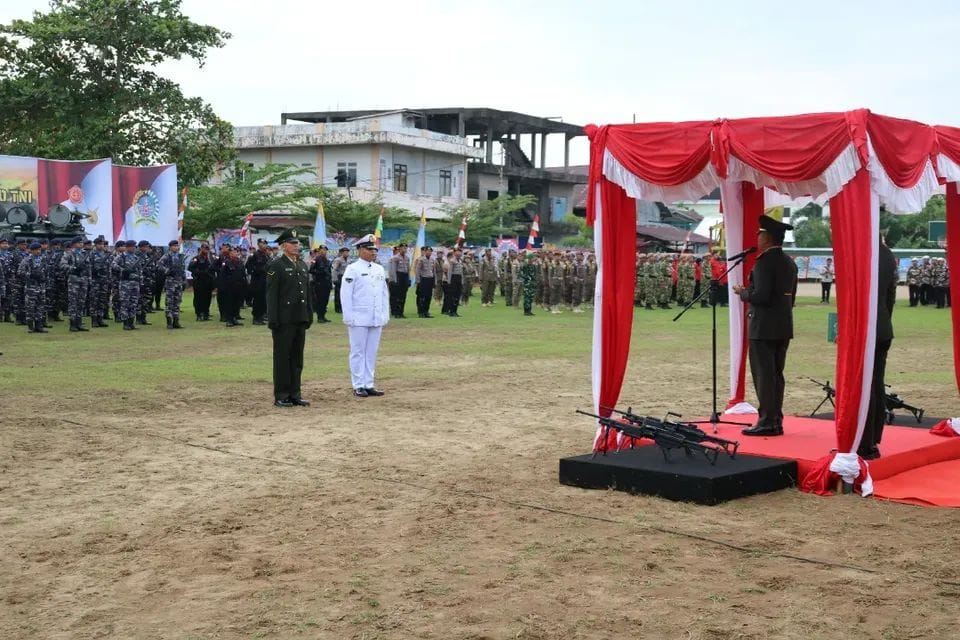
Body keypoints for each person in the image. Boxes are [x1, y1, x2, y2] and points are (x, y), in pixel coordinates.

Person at [732, 215, 798, 436]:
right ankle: (775, 419)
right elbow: (792, 297)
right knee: (776, 374)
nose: (757, 237)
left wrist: (744, 293)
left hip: (763, 327)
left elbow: (760, 296)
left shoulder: (764, 262)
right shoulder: (789, 262)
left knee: (763, 375)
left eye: (760, 233)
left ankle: (767, 421)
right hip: (782, 325)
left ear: (767, 238)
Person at [266, 229, 312, 407]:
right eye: (293, 243)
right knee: (282, 359)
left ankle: (295, 393)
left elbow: (307, 293)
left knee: (297, 358)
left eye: (297, 243)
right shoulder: (276, 265)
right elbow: (272, 295)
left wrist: (309, 313)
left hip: (299, 317)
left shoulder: (301, 265)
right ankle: (281, 395)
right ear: (284, 245)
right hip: (283, 320)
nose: (296, 246)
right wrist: (273, 319)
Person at [860, 239, 897, 459]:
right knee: (876, 384)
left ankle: (864, 442)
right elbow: (890, 297)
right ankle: (872, 439)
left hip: (867, 327)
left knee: (866, 384)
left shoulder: (866, 250)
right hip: (882, 325)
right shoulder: (887, 254)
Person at [341, 233, 389, 397]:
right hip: (358, 317)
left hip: (375, 317)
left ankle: (369, 383)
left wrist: (384, 314)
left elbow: (384, 294)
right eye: (370, 249)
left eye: (375, 250)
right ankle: (358, 384)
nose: (373, 252)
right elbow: (345, 295)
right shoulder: (352, 269)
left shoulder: (379, 269)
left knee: (371, 352)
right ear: (360, 250)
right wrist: (348, 316)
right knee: (357, 351)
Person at [158, 239, 187, 329]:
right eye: (174, 246)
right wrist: (167, 271)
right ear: (170, 247)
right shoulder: (166, 256)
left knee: (177, 302)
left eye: (177, 246)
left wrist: (184, 280)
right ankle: (169, 322)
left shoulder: (180, 256)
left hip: (179, 281)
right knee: (169, 302)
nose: (176, 247)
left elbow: (183, 269)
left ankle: (176, 321)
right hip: (170, 282)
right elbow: (159, 265)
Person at [189, 242, 217, 321]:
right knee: (198, 298)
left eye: (207, 249)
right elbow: (190, 268)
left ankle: (206, 314)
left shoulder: (210, 259)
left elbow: (213, 269)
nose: (206, 250)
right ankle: (199, 314)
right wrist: (200, 272)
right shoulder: (196, 258)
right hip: (199, 281)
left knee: (207, 298)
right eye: (204, 248)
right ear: (201, 249)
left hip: (208, 282)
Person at [246, 238, 271, 325]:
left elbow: (269, 268)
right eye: (262, 243)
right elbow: (248, 268)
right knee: (257, 300)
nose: (264, 245)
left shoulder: (266, 256)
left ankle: (261, 316)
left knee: (263, 300)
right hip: (257, 281)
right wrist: (258, 270)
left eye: (265, 243)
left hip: (265, 281)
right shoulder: (254, 255)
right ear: (258, 244)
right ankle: (256, 318)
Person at [308, 244, 332, 323]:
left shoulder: (327, 260)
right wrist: (320, 272)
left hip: (327, 283)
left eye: (325, 250)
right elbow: (311, 270)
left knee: (325, 300)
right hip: (319, 283)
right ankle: (319, 317)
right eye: (322, 249)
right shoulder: (316, 259)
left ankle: (323, 316)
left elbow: (329, 272)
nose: (324, 251)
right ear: (319, 250)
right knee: (320, 300)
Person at [388, 242, 410, 318]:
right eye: (403, 248)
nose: (405, 249)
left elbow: (408, 269)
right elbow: (393, 270)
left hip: (404, 276)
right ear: (399, 248)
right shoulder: (395, 258)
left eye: (406, 248)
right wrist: (394, 280)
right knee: (396, 296)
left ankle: (401, 312)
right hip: (398, 276)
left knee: (403, 296)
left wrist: (408, 279)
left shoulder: (407, 258)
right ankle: (396, 312)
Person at [413, 246, 436, 318]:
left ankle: (426, 311)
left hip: (430, 279)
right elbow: (417, 270)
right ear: (425, 252)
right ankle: (421, 312)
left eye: (430, 251)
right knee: (422, 296)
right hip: (423, 279)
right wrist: (418, 281)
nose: (429, 252)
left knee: (429, 296)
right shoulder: (421, 260)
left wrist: (434, 280)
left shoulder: (432, 260)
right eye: (427, 251)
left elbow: (434, 271)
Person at [331, 246, 350, 314]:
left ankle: (343, 307)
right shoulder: (338, 260)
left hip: (346, 278)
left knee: (345, 293)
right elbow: (334, 270)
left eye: (348, 252)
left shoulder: (348, 260)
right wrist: (334, 279)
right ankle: (338, 308)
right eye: (345, 252)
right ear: (342, 253)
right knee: (338, 293)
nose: (347, 253)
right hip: (339, 277)